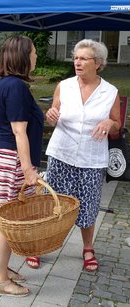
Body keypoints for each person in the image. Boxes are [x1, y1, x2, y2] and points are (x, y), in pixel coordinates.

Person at [36, 39, 120, 273]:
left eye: (84, 59)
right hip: (61, 153)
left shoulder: (110, 91)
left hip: (91, 159)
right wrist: (51, 115)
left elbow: (117, 125)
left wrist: (109, 122)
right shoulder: (64, 85)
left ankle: (87, 248)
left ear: (98, 63)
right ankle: (40, 245)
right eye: (76, 58)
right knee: (51, 203)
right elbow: (54, 113)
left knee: (89, 206)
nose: (78, 62)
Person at [0, 35, 43, 297]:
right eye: (34, 53)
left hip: (1, 156)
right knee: (8, 221)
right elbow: (19, 131)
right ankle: (1, 280)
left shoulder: (6, 83)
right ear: (23, 56)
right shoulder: (16, 87)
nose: (36, 57)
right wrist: (28, 170)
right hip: (11, 160)